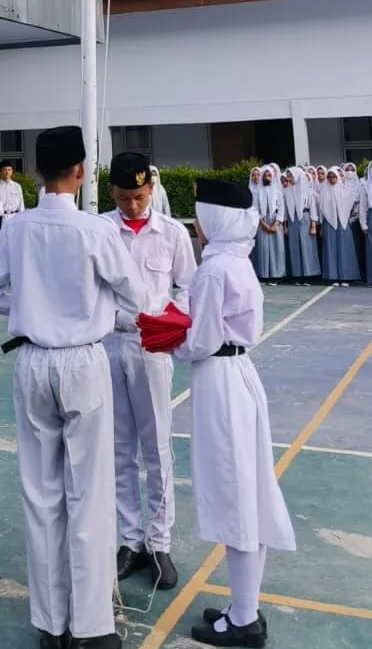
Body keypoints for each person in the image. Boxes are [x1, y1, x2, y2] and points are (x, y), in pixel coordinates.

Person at [0, 126, 146, 649]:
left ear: (38, 173)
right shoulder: (96, 231)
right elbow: (135, 295)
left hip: (31, 360)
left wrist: (30, 310)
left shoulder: (18, 228)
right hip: (81, 362)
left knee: (41, 495)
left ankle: (50, 624)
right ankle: (92, 627)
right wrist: (96, 313)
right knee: (89, 494)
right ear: (79, 171)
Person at [169, 177, 295, 647]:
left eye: (201, 213)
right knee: (249, 491)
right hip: (240, 376)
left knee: (234, 496)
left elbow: (200, 340)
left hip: (219, 381)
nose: (197, 223)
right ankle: (243, 606)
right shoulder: (237, 262)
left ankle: (244, 620)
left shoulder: (213, 269)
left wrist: (169, 341)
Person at [102, 152, 195, 590]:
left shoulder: (172, 234)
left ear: (151, 190)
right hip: (110, 344)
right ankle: (130, 540)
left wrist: (172, 323)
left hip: (153, 349)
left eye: (139, 197)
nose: (133, 206)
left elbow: (190, 289)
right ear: (111, 193)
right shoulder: (101, 231)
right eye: (124, 198)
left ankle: (160, 543)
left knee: (157, 446)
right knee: (119, 448)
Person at [318, 167, 361, 286]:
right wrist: (321, 226)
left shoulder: (344, 190)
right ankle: (333, 277)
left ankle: (345, 277)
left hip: (343, 222)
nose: (332, 179)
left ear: (338, 177)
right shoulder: (324, 191)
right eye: (330, 177)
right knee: (331, 250)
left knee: (344, 249)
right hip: (329, 224)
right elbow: (321, 210)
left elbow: (355, 198)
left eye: (334, 176)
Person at [282, 166, 319, 284]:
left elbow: (312, 208)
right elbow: (286, 210)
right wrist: (285, 226)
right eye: (288, 176)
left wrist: (313, 225)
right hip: (293, 221)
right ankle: (298, 275)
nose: (289, 178)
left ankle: (309, 275)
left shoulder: (308, 190)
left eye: (291, 176)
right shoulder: (287, 191)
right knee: (295, 248)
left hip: (305, 219)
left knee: (307, 247)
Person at [251, 166, 285, 283]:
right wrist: (263, 224)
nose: (267, 177)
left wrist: (276, 224)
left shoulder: (278, 191)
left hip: (275, 221)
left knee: (276, 248)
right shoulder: (257, 191)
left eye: (269, 175)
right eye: (265, 175)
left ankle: (276, 276)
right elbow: (255, 209)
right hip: (262, 222)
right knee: (264, 248)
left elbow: (281, 209)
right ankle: (265, 275)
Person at [0, 159, 24, 228]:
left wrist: (22, 219)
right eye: (4, 170)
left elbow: (21, 205)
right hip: (1, 218)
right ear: (0, 171)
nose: (7, 172)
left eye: (9, 169)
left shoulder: (17, 186)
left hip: (15, 217)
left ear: (12, 171)